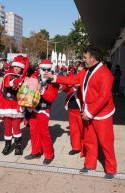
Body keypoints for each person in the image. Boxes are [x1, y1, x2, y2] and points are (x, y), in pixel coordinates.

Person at [47, 47, 117, 179]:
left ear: (93, 58)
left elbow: (104, 97)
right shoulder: (85, 71)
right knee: (90, 140)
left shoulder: (105, 74)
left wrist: (89, 113)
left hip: (102, 114)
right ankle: (90, 164)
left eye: (85, 57)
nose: (83, 60)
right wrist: (54, 77)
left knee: (106, 142)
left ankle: (111, 168)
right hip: (89, 111)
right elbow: (72, 79)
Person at [24, 59, 59, 165]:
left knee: (44, 132)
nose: (46, 71)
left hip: (44, 109)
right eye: (44, 69)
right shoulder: (34, 77)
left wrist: (42, 90)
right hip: (32, 108)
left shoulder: (53, 81)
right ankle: (36, 151)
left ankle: (49, 155)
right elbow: (26, 90)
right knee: (33, 131)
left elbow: (52, 97)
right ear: (40, 68)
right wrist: (25, 87)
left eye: (48, 69)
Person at [0, 56, 29, 155]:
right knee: (7, 126)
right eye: (15, 66)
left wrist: (26, 85)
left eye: (19, 67)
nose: (16, 68)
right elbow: (7, 85)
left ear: (22, 68)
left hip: (17, 104)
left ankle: (18, 146)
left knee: (16, 126)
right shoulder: (8, 75)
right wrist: (17, 81)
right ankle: (7, 145)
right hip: (7, 104)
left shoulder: (25, 77)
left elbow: (25, 92)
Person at [62, 62, 84, 155]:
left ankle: (84, 148)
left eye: (81, 71)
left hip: (81, 110)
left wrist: (81, 86)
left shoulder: (86, 80)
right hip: (71, 108)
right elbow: (64, 89)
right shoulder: (73, 78)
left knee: (83, 129)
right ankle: (76, 147)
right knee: (74, 129)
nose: (78, 73)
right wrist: (69, 84)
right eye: (77, 71)